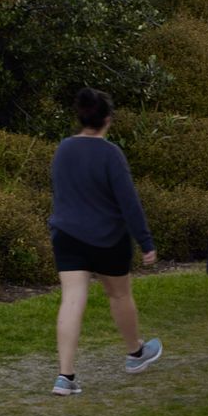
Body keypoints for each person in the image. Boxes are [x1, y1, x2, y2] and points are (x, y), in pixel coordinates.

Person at [48, 87, 163, 395]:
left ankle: (65, 375)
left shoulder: (63, 149)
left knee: (72, 299)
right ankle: (135, 354)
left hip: (67, 235)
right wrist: (146, 242)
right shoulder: (111, 154)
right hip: (108, 239)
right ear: (107, 120)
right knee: (120, 295)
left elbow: (60, 191)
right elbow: (129, 202)